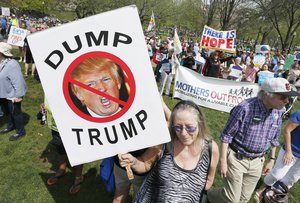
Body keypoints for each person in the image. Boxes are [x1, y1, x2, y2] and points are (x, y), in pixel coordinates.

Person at [207, 77, 300, 203]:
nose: (286, 101)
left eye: (288, 98)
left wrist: (271, 160)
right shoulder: (244, 108)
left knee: (244, 199)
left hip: (258, 161)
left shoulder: (278, 112)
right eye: (283, 97)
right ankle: (209, 194)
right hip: (236, 158)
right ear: (267, 94)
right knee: (232, 199)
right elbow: (226, 136)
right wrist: (223, 161)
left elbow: (274, 137)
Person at [118, 100, 219, 202]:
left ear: (200, 124)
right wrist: (134, 162)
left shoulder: (211, 149)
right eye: (178, 127)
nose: (183, 133)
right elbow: (144, 164)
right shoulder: (165, 141)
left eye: (190, 128)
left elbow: (209, 180)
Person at [255, 109, 300, 202]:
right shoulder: (299, 113)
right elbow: (287, 130)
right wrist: (288, 151)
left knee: (291, 179)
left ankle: (275, 195)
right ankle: (262, 189)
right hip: (291, 151)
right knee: (277, 175)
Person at [42, 100, 84, 194]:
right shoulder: (51, 85)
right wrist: (44, 104)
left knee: (77, 151)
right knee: (60, 147)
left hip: (73, 124)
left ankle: (78, 177)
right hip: (56, 125)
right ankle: (62, 169)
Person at [0, 42, 27, 141]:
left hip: (13, 94)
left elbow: (18, 81)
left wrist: (18, 96)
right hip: (3, 93)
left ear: (2, 53)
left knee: (16, 113)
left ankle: (20, 131)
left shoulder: (12, 64)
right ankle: (11, 126)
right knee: (8, 112)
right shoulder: (1, 62)